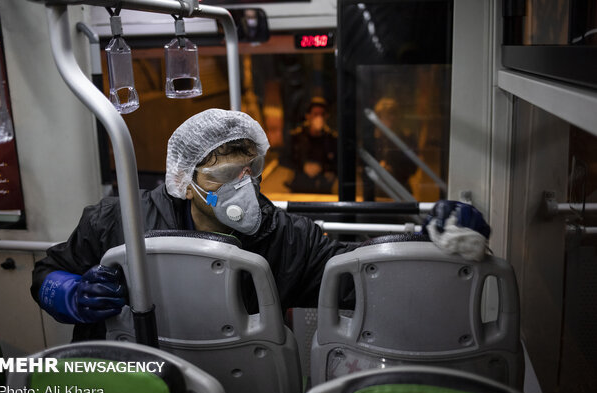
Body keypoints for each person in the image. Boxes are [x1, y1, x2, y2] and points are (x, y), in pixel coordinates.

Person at [31, 109, 490, 341]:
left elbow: (360, 275)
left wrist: (426, 240)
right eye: (226, 177)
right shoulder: (119, 219)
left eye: (252, 171)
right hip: (136, 373)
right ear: (184, 181)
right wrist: (71, 294)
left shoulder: (290, 238)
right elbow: (46, 274)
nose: (243, 188)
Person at [288, 97, 338, 193]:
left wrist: (326, 170)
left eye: (322, 114)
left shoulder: (332, 139)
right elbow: (286, 159)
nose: (319, 118)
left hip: (323, 189)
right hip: (299, 189)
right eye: (315, 114)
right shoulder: (297, 137)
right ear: (308, 116)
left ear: (327, 116)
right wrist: (303, 166)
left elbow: (339, 163)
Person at [373, 97, 419, 193]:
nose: (391, 119)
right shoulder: (373, 140)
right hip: (377, 191)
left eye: (393, 114)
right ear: (379, 118)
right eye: (386, 115)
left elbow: (413, 168)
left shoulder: (407, 139)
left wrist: (393, 167)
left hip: (401, 189)